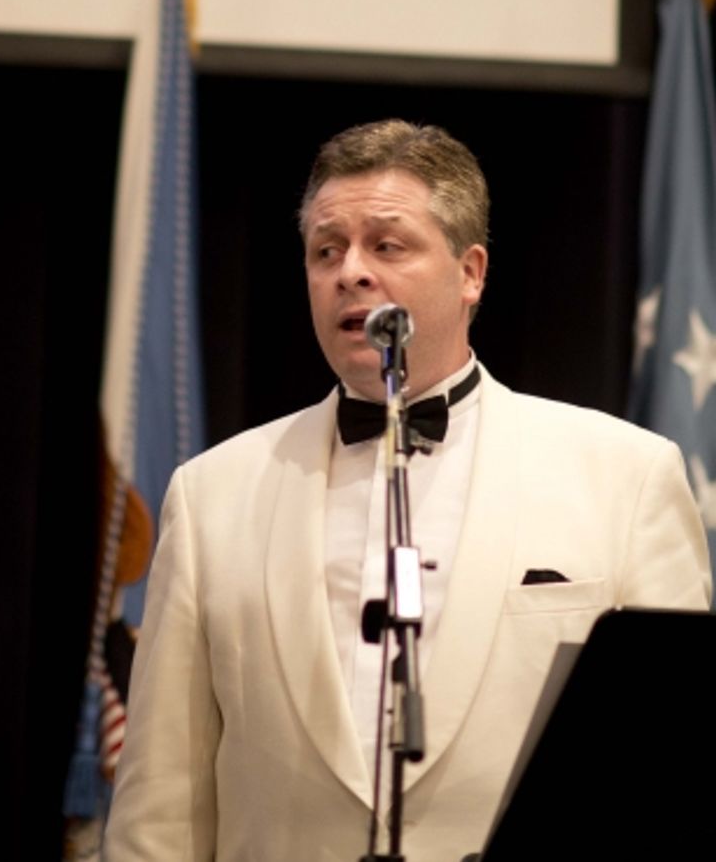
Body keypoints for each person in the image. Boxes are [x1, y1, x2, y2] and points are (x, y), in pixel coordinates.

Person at [101, 120, 712, 860]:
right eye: (327, 250)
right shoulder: (210, 495)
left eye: (387, 245)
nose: (351, 271)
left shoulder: (626, 476)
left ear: (471, 271)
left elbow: (677, 779)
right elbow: (160, 812)